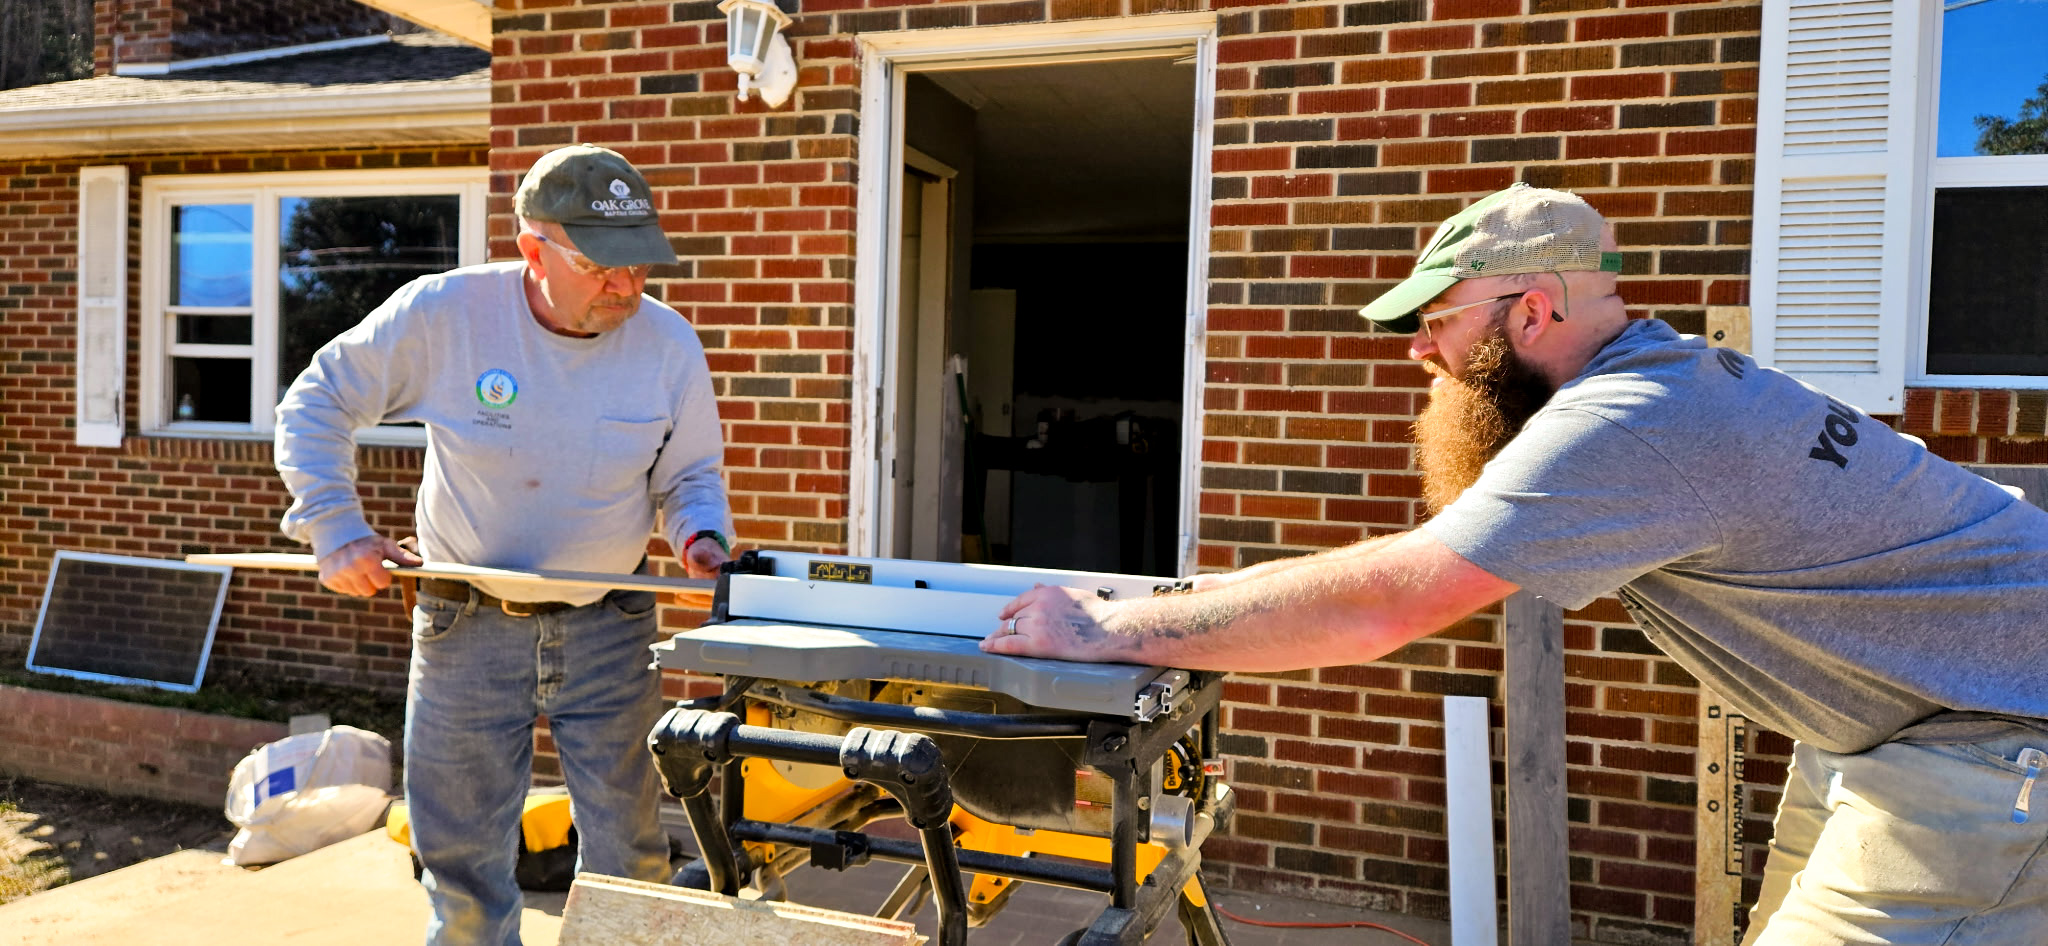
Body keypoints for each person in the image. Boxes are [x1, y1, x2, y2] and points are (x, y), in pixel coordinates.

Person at [984, 183, 2048, 944]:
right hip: (1903, 729)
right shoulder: (1676, 376)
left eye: (1436, 322)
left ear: (1530, 309)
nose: (1418, 352)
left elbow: (1386, 602)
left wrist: (1104, 631)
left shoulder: (1630, 419)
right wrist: (1183, 599)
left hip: (1992, 745)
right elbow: (1403, 557)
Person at [273, 143, 732, 946]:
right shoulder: (447, 314)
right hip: (466, 626)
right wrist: (335, 527)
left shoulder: (668, 344)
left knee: (633, 858)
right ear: (533, 248)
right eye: (602, 266)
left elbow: (688, 475)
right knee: (462, 866)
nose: (626, 286)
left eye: (641, 266)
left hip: (607, 621)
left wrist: (700, 535)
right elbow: (318, 400)